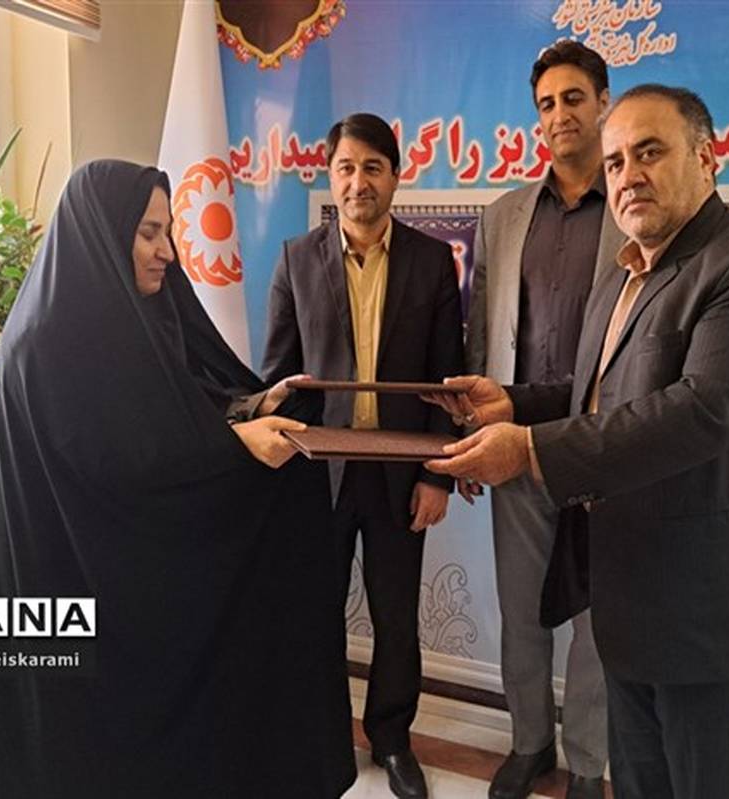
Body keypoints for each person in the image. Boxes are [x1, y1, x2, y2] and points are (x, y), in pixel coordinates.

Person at [423, 85, 729, 799]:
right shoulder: (624, 273)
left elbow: (699, 411)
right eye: (614, 163)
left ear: (707, 158)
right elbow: (598, 391)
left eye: (649, 152)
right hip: (628, 602)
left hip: (711, 612)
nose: (628, 175)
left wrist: (531, 449)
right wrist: (511, 401)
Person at [0, 160, 356, 798]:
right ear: (101, 232)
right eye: (149, 232)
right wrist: (234, 450)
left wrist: (249, 408)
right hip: (74, 595)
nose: (168, 252)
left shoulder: (131, 319)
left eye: (169, 231)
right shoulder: (44, 343)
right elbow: (114, 464)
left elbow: (173, 406)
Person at [261, 113, 464, 799]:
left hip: (402, 475)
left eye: (373, 167)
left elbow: (447, 378)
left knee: (396, 617)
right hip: (318, 477)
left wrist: (437, 475)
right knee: (314, 612)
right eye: (346, 168)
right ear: (330, 176)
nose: (358, 182)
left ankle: (393, 739)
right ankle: (321, 736)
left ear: (396, 177)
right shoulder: (296, 260)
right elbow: (278, 378)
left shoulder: (432, 262)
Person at [465, 40, 618, 799]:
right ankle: (530, 744)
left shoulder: (634, 205)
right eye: (547, 104)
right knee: (521, 609)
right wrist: (470, 436)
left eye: (573, 99)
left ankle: (588, 762)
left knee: (596, 619)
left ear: (603, 103)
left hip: (601, 447)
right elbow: (478, 333)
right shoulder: (502, 217)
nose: (560, 115)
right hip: (514, 444)